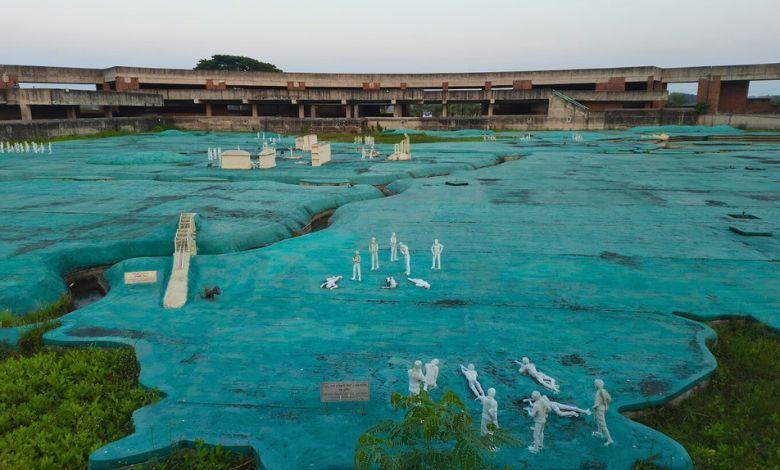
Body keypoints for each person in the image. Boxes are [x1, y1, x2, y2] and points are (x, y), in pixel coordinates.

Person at [522, 395, 590, 418]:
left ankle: (572, 413)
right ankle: (585, 411)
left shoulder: (538, 403)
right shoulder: (543, 397)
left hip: (553, 407)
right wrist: (529, 399)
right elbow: (535, 398)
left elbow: (532, 405)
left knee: (560, 414)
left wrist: (529, 401)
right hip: (555, 403)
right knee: (570, 407)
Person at [592, 379, 614, 446]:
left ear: (598, 385)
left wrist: (599, 404)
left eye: (595, 384)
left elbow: (609, 399)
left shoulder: (601, 391)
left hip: (600, 409)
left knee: (602, 424)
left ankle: (609, 439)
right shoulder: (600, 391)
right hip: (599, 408)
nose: (594, 385)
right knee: (599, 421)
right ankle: (599, 432)